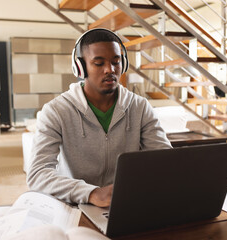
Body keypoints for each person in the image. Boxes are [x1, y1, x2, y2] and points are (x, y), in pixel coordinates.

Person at [27, 28, 172, 207]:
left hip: (125, 202)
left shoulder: (140, 107)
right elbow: (37, 174)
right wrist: (92, 193)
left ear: (124, 64)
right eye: (98, 63)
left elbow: (165, 161)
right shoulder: (55, 111)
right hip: (76, 205)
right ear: (81, 67)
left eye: (115, 62)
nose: (109, 70)